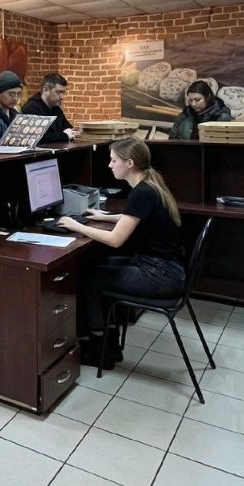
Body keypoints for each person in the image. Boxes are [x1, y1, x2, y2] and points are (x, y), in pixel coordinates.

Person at [56, 138, 183, 369]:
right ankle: (109, 343)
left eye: (114, 160)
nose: (109, 165)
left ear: (130, 163)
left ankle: (100, 348)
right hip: (165, 268)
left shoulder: (142, 193)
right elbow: (133, 216)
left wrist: (77, 226)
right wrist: (104, 217)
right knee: (92, 265)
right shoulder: (149, 185)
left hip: (158, 276)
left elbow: (115, 240)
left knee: (85, 278)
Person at [22, 73, 78, 143]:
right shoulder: (31, 108)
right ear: (45, 90)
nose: (62, 97)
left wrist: (73, 132)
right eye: (59, 92)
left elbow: (69, 129)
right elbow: (39, 138)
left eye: (64, 93)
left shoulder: (56, 109)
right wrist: (65, 136)